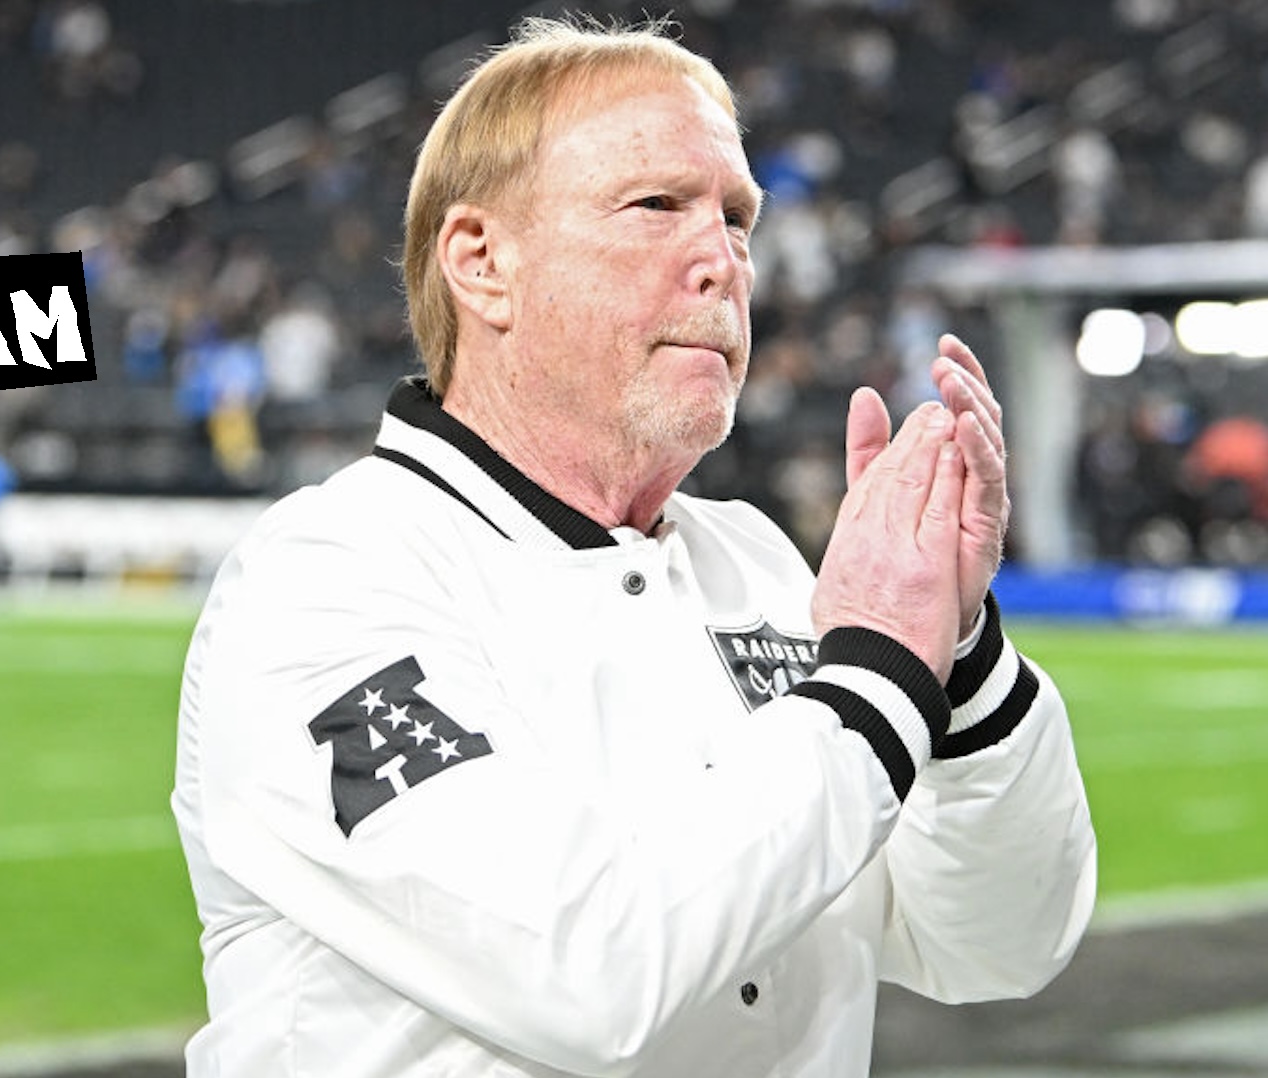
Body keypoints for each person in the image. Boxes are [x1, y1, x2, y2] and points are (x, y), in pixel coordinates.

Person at [171, 18, 1095, 1077]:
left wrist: (957, 649)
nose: (722, 261)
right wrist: (879, 667)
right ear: (481, 262)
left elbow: (993, 944)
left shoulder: (750, 564)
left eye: (737, 217)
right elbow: (578, 966)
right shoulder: (325, 579)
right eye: (655, 205)